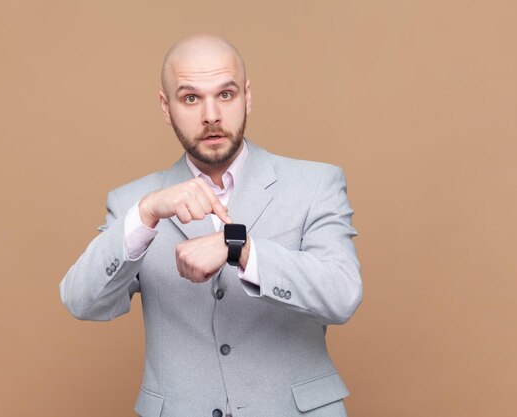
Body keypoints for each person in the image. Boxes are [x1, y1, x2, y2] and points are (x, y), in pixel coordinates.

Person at [60, 33, 362, 417]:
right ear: (165, 106)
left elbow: (342, 294)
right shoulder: (132, 203)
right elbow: (82, 301)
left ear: (247, 97)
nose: (212, 116)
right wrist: (147, 214)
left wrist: (240, 249)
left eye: (226, 94)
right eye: (190, 98)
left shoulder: (315, 184)